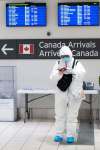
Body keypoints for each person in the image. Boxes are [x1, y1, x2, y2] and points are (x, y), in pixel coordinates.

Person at [50, 46, 86, 144]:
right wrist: (59, 73)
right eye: (63, 56)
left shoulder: (77, 63)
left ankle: (70, 135)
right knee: (59, 114)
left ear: (70, 54)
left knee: (72, 115)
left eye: (66, 56)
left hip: (75, 93)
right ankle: (59, 134)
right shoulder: (58, 63)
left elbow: (82, 73)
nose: (65, 57)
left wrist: (72, 71)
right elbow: (52, 77)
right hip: (61, 92)